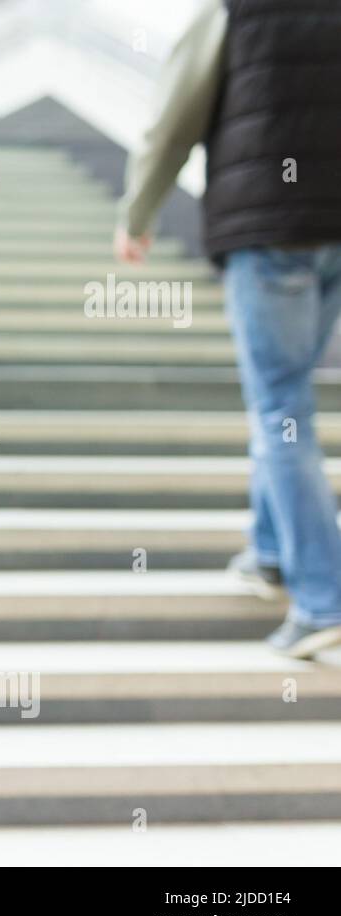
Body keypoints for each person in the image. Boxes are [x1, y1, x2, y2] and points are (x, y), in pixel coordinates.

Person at [115, 0, 341, 659]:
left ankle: (324, 601)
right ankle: (271, 554)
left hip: (268, 229)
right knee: (287, 393)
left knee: (279, 404)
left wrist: (136, 215)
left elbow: (173, 117)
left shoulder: (235, 9)